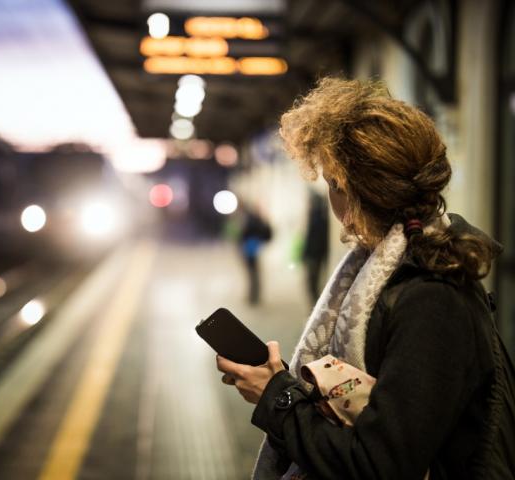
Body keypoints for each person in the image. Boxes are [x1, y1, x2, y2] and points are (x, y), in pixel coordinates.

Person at [215, 78, 509, 479]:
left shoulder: (432, 299)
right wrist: (285, 385)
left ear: (356, 195)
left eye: (333, 184)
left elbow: (377, 463)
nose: (331, 197)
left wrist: (278, 398)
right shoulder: (383, 272)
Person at [238, 205, 272, 305]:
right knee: (253, 273)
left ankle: (254, 296)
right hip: (252, 247)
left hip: (250, 248)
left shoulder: (251, 219)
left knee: (253, 273)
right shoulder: (254, 219)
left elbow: (246, 232)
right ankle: (254, 295)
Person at [301, 190, 328, 303]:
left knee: (312, 282)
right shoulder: (318, 216)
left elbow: (313, 239)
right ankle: (314, 303)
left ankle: (315, 304)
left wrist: (307, 254)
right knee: (312, 282)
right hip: (316, 254)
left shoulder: (317, 217)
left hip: (315, 255)